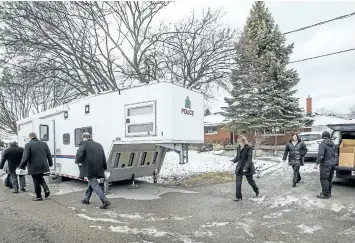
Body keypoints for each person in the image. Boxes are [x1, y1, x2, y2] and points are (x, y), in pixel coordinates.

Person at [75, 132, 110, 209]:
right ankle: (86, 199)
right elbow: (103, 157)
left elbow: (79, 154)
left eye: (82, 138)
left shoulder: (84, 143)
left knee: (94, 183)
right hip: (99, 167)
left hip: (89, 167)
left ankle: (105, 200)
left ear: (84, 138)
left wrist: (78, 161)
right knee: (91, 182)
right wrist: (104, 168)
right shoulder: (99, 145)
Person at [19, 132, 53, 201]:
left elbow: (25, 157)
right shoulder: (44, 144)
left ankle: (38, 196)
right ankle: (46, 190)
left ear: (30, 137)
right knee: (40, 178)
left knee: (36, 180)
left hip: (34, 166)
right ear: (36, 136)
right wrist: (50, 164)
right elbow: (49, 154)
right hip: (43, 165)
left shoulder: (28, 144)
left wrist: (21, 166)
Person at [231, 136, 259, 201]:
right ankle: (238, 197)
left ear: (243, 142)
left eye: (239, 142)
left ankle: (256, 190)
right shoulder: (238, 148)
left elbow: (249, 159)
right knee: (238, 183)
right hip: (240, 167)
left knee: (250, 182)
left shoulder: (249, 148)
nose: (239, 143)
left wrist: (246, 167)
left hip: (247, 167)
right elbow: (237, 158)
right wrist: (233, 161)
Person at [314, 131, 336, 199]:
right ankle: (328, 193)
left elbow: (321, 156)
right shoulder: (332, 144)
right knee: (329, 179)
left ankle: (325, 195)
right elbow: (334, 155)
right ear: (329, 136)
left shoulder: (322, 144)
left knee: (324, 179)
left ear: (323, 137)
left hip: (325, 164)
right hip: (332, 163)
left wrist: (317, 163)